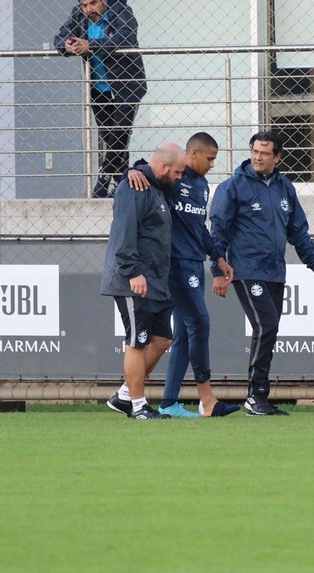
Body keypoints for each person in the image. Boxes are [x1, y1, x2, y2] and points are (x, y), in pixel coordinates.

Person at [208, 131, 314, 416]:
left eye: (264, 153)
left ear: (278, 157)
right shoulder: (233, 187)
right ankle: (255, 395)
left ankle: (258, 395)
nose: (257, 157)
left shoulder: (285, 188)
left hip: (275, 272)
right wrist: (217, 270)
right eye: (255, 151)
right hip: (246, 270)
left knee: (269, 329)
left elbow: (298, 232)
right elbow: (218, 231)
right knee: (266, 326)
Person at [127, 132, 240, 418]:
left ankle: (168, 402)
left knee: (184, 334)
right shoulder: (173, 178)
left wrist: (217, 257)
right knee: (199, 322)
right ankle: (207, 398)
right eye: (209, 158)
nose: (213, 164)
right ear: (192, 155)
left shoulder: (202, 185)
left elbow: (199, 227)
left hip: (195, 262)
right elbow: (149, 169)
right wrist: (133, 169)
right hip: (174, 263)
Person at [102, 143, 187, 419]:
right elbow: (125, 233)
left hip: (156, 282)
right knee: (136, 342)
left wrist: (134, 167)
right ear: (163, 168)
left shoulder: (156, 186)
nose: (179, 177)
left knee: (162, 339)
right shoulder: (133, 188)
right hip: (134, 280)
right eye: (177, 172)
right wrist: (132, 271)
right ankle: (139, 407)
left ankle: (125, 396)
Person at [54, 0, 148, 198]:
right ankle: (124, 185)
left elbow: (127, 36)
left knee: (118, 134)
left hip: (127, 85)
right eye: (85, 5)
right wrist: (66, 46)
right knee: (112, 137)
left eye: (93, 3)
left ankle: (102, 182)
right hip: (99, 87)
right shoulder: (79, 15)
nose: (89, 9)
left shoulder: (120, 9)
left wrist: (92, 45)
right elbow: (59, 37)